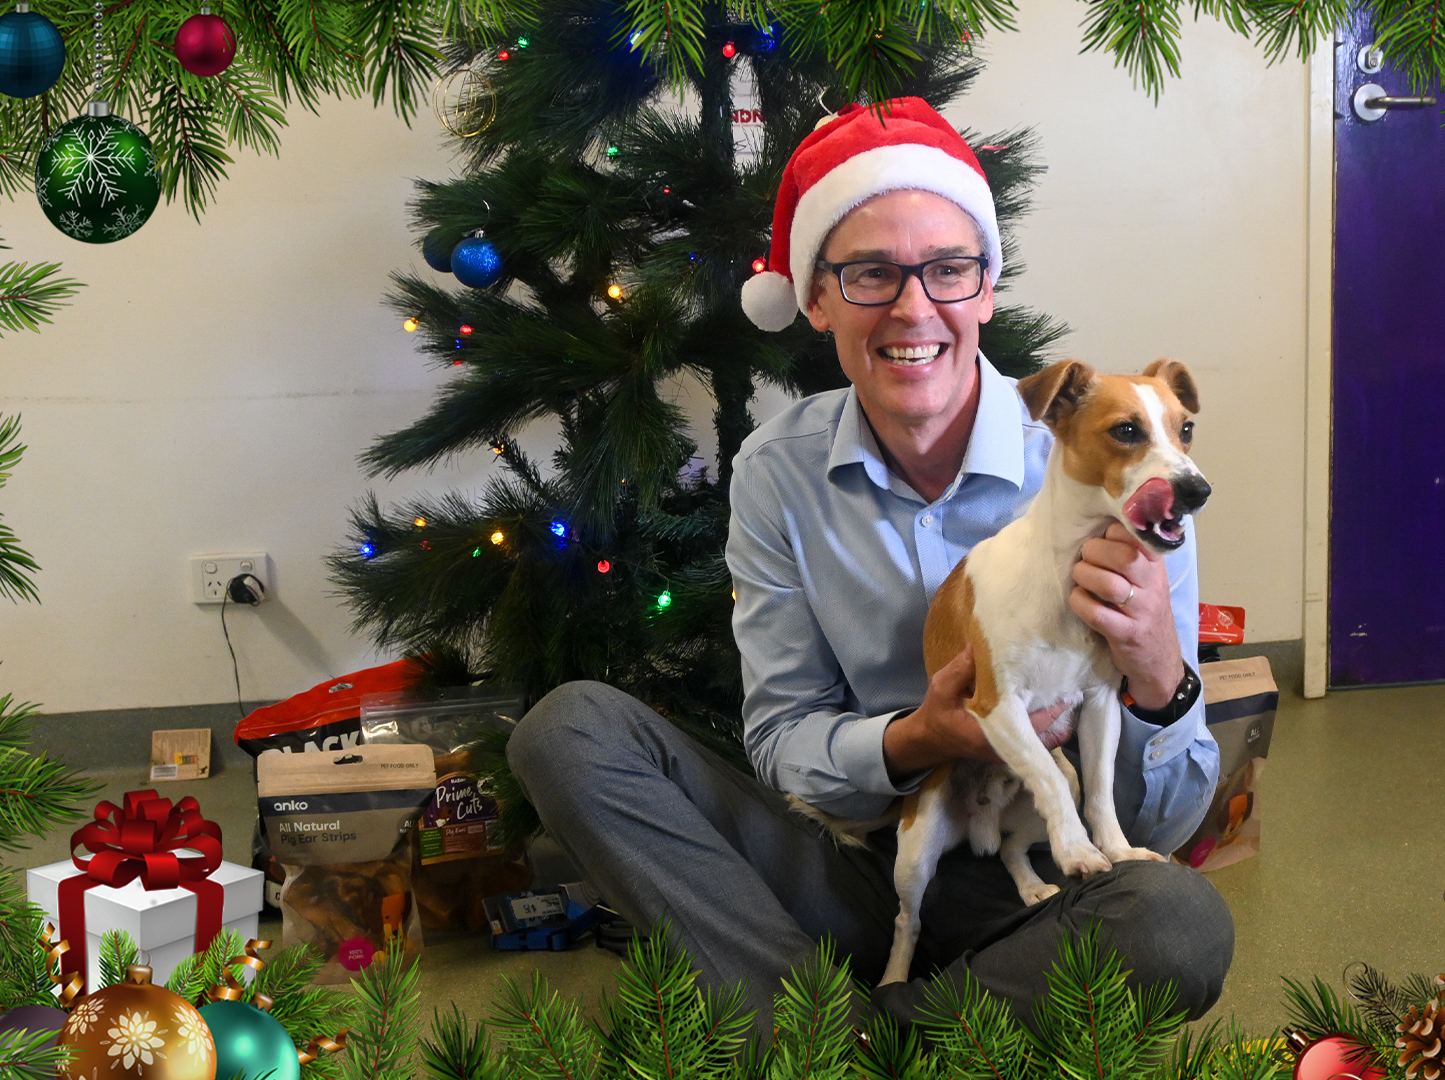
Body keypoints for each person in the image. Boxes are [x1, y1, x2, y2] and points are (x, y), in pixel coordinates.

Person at [507, 97, 1233, 1031]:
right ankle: (898, 1030)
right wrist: (921, 738)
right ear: (814, 298)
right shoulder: (777, 476)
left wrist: (1162, 673)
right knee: (566, 731)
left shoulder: (1122, 470)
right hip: (852, 861)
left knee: (1177, 928)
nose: (913, 306)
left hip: (1042, 887)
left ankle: (822, 1040)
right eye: (869, 274)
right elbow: (781, 745)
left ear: (987, 289)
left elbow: (1164, 823)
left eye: (948, 269)